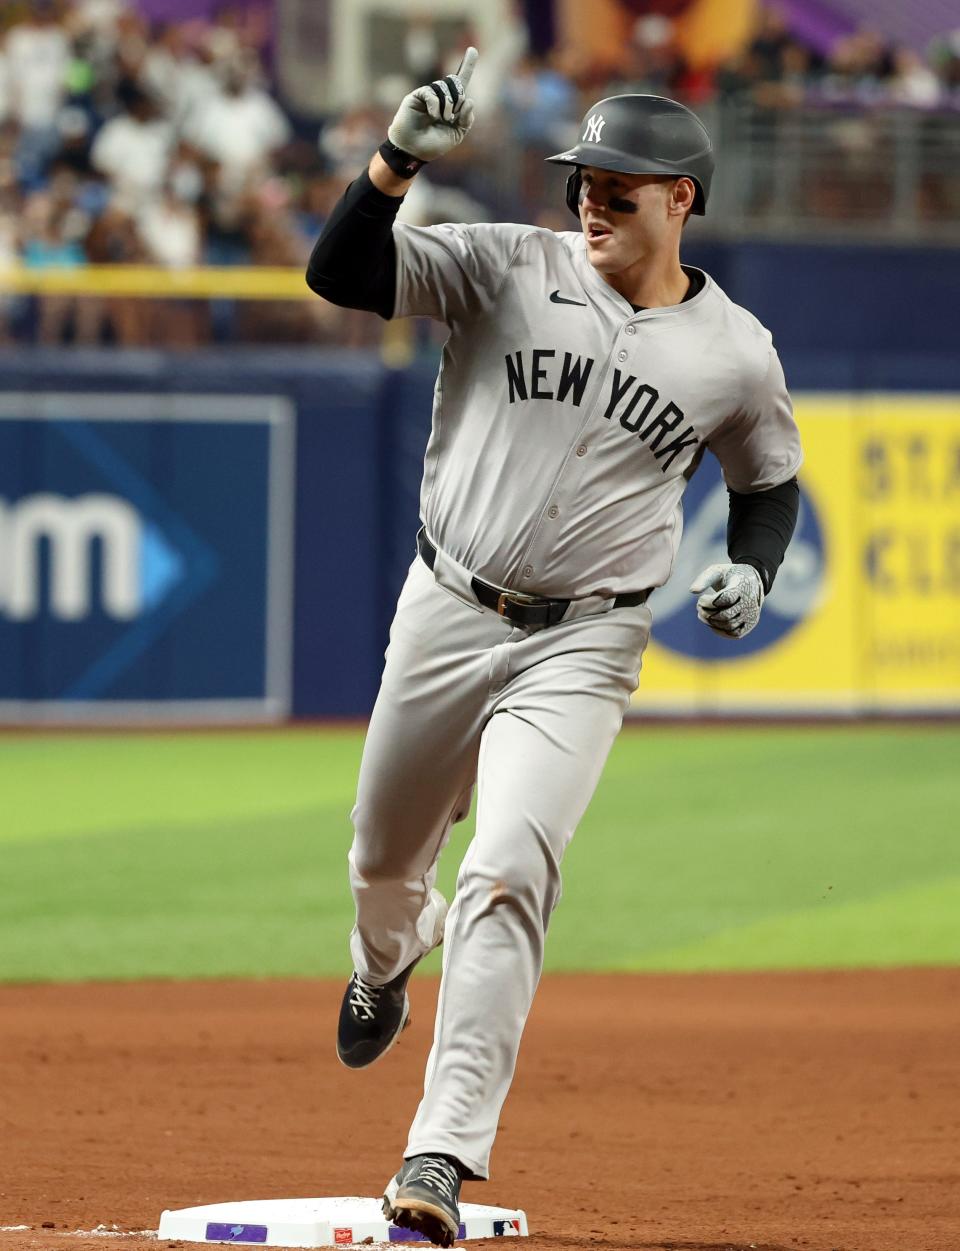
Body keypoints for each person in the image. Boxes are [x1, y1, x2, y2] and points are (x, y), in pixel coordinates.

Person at [306, 48, 802, 1249]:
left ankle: (439, 1152)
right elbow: (341, 274)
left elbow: (769, 482)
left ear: (681, 199)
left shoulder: (736, 350)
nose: (592, 197)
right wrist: (393, 165)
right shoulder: (504, 265)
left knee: (511, 865)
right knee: (384, 860)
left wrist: (751, 565)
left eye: (619, 186)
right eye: (584, 177)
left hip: (585, 642)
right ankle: (384, 963)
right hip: (447, 605)